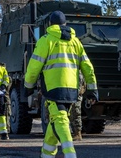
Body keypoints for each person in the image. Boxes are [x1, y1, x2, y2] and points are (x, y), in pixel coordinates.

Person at [24, 10, 98, 158]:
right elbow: (87, 67)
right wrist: (92, 88)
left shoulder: (46, 40)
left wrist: (28, 86)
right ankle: (47, 155)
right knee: (57, 121)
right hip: (72, 90)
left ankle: (70, 154)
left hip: (53, 89)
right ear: (65, 24)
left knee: (60, 121)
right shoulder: (76, 42)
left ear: (50, 24)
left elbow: (33, 67)